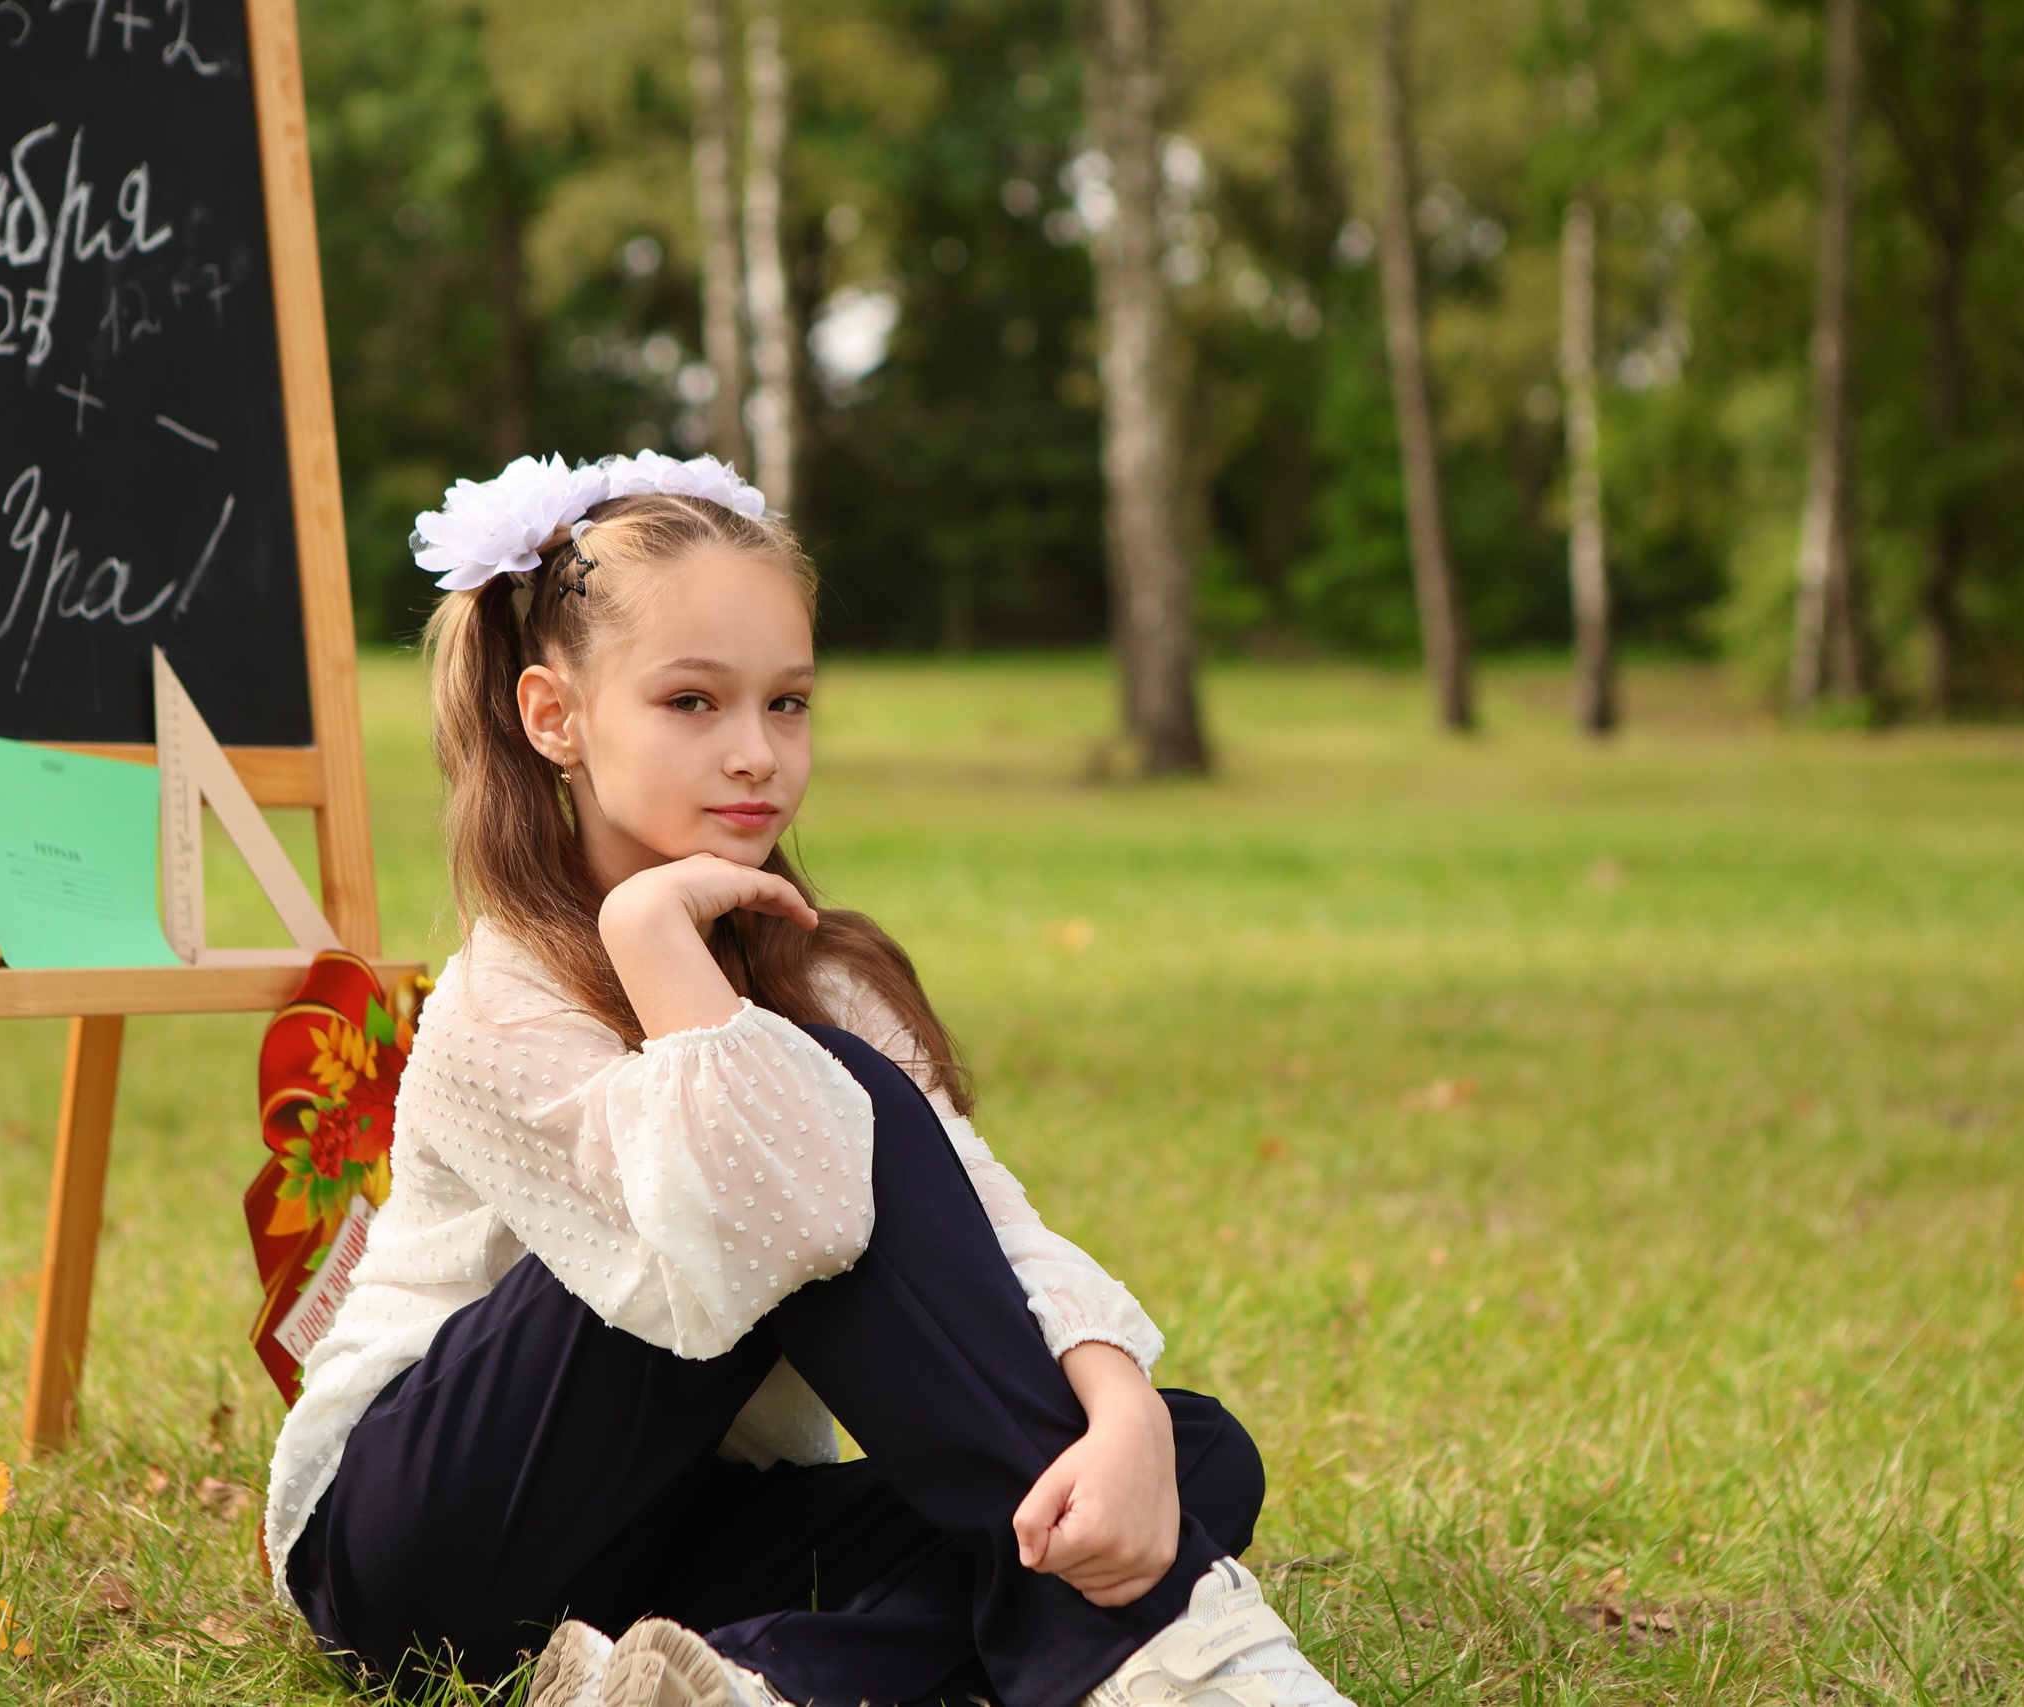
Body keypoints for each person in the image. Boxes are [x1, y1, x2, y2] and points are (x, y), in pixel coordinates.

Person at [265, 452, 1353, 1707]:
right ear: (554, 716)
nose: (755, 755)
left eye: (787, 704)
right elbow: (755, 1234)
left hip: (677, 1535)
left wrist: (1119, 1413)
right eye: (692, 703)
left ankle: (755, 1686)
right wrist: (658, 953)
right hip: (423, 1551)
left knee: (1180, 1460)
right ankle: (1183, 1657)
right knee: (804, 1115)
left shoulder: (824, 976)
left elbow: (991, 1233)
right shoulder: (497, 999)